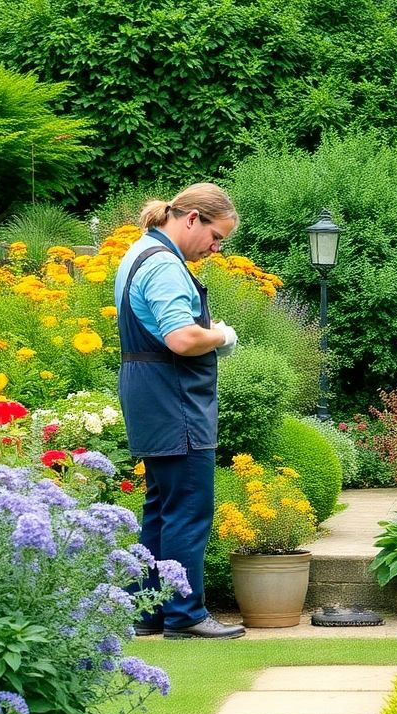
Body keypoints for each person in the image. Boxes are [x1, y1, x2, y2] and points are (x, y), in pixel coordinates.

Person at [115, 183, 245, 639]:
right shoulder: (166, 266)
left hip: (147, 392)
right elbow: (182, 338)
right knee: (189, 508)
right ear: (191, 218)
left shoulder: (138, 252)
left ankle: (148, 609)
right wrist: (221, 335)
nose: (215, 247)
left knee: (162, 506)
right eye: (216, 236)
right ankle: (185, 615)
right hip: (176, 399)